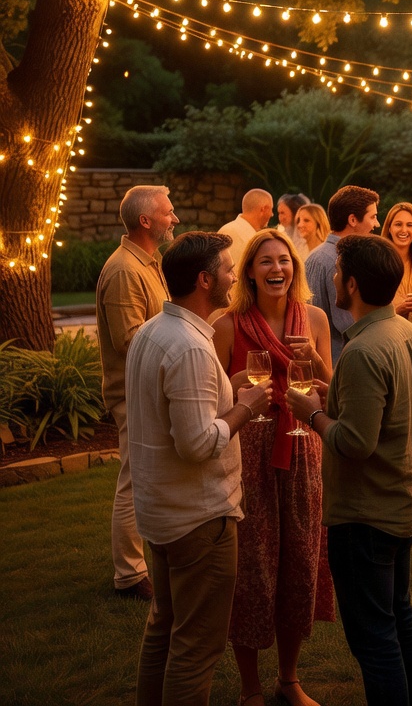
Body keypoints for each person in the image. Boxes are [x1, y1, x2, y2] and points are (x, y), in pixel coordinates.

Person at [128, 231, 272, 706]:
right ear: (205, 279)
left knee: (164, 629)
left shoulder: (153, 332)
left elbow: (178, 412)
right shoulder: (188, 345)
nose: (235, 276)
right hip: (199, 518)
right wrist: (247, 407)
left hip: (162, 513)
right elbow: (197, 443)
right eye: (229, 269)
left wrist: (227, 391)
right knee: (196, 648)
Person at [286, 234, 412, 706]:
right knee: (398, 616)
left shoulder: (366, 349)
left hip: (367, 515)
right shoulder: (403, 332)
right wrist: (330, 387)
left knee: (374, 639)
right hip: (402, 501)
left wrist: (310, 412)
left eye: (336, 272)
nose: (331, 279)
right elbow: (381, 411)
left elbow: (355, 442)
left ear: (351, 282)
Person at [211, 229, 335, 706]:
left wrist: (318, 367)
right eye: (265, 262)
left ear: (295, 269)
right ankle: (250, 686)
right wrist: (234, 381)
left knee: (299, 561)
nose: (276, 269)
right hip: (249, 450)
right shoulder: (228, 324)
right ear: (248, 271)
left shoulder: (316, 319)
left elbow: (331, 388)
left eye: (284, 260)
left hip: (303, 447)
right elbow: (212, 398)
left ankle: (288, 679)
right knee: (254, 566)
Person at [96, 184, 179, 601]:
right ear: (145, 220)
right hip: (133, 392)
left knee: (149, 476)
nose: (174, 218)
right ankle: (129, 574)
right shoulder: (125, 270)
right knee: (134, 480)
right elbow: (130, 341)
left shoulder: (150, 261)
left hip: (152, 388)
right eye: (168, 212)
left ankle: (155, 557)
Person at [305, 185, 380, 366]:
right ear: (353, 220)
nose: (376, 224)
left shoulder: (315, 255)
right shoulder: (340, 260)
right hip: (340, 364)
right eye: (373, 217)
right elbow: (350, 325)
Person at [220, 189, 275, 267]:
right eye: (271, 209)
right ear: (263, 209)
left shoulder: (248, 234)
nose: (272, 214)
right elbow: (233, 273)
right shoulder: (231, 232)